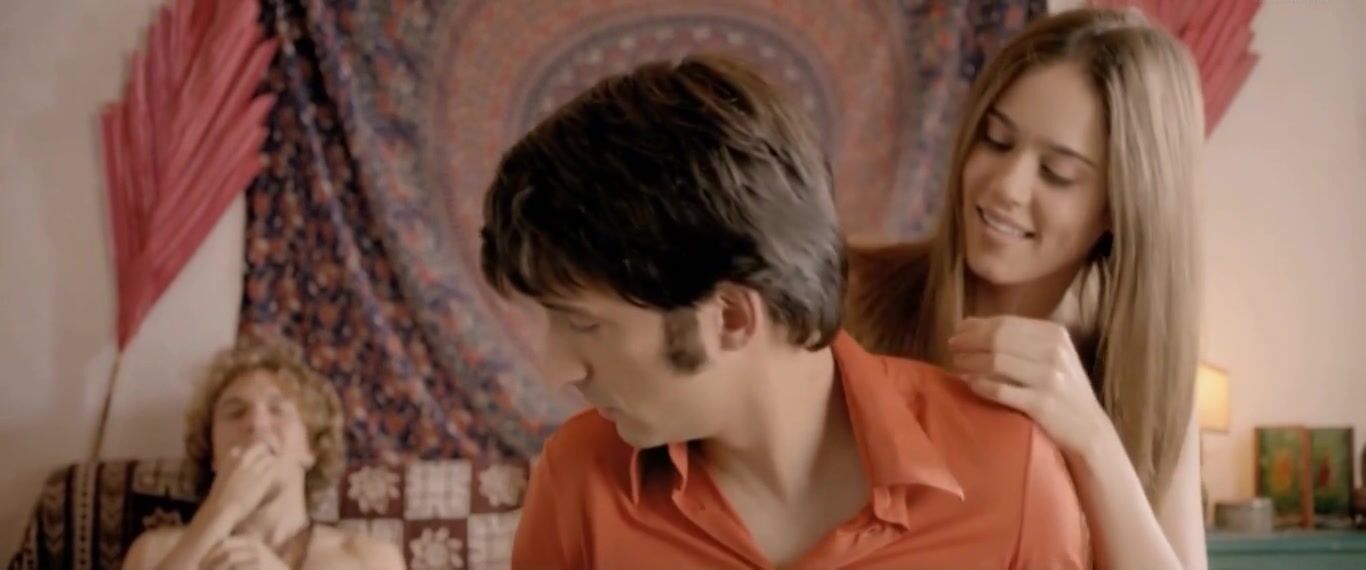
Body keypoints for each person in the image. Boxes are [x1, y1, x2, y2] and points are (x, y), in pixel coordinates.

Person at [481, 54, 1089, 568]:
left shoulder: (1011, 478)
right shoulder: (579, 479)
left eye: (584, 323)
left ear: (731, 318)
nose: (556, 368)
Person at [846, 7, 1207, 570]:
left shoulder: (1145, 383)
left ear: (1119, 207)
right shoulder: (851, 293)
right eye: (996, 141)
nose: (1006, 187)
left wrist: (1093, 442)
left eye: (1057, 173)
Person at [123, 338, 405, 569]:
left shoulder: (368, 559)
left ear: (311, 448)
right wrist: (221, 510)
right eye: (235, 412)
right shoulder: (157, 552)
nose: (256, 423)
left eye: (277, 410)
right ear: (213, 455)